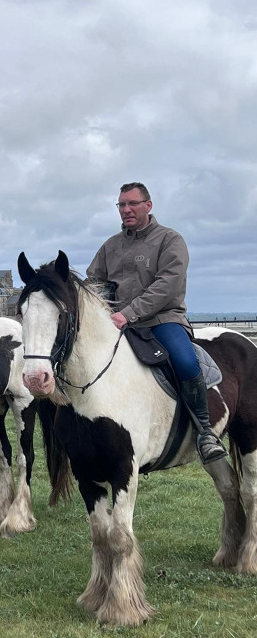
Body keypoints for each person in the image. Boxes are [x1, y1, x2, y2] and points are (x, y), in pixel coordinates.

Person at [86, 182, 227, 464]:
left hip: (162, 319)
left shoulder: (170, 240)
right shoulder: (110, 246)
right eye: (121, 205)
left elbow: (166, 286)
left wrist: (127, 313)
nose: (126, 210)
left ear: (148, 206)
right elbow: (93, 283)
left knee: (186, 362)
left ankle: (204, 432)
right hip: (118, 323)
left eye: (132, 204)